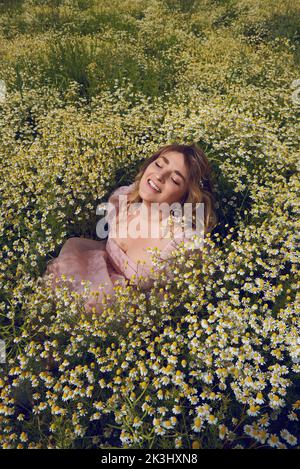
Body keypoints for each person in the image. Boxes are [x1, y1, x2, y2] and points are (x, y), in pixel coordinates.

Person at [42, 142, 217, 314]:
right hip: (90, 269)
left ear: (185, 196)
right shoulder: (125, 199)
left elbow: (176, 301)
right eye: (158, 164)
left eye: (174, 179)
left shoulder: (181, 244)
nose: (159, 175)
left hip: (115, 315)